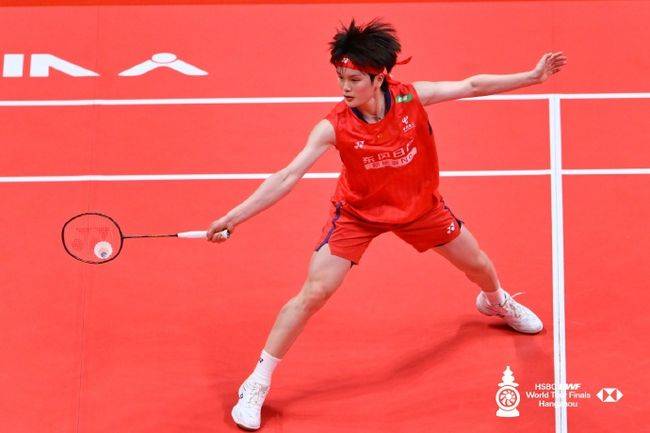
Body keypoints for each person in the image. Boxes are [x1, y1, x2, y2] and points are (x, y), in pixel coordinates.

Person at [206, 18, 567, 431]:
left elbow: (470, 86)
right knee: (313, 293)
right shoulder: (333, 126)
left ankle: (495, 302)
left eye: (354, 80)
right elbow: (287, 176)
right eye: (340, 78)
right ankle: (257, 381)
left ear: (379, 78)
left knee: (479, 266)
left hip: (419, 208)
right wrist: (233, 217)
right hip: (358, 214)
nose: (344, 88)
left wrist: (532, 77)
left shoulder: (411, 97)